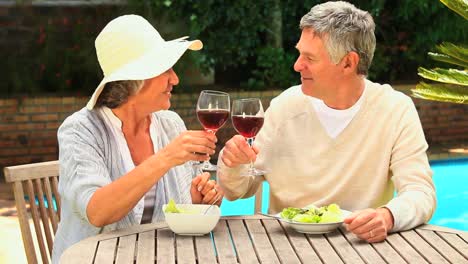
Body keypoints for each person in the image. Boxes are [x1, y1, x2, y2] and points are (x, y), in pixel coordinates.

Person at [217, 1, 436, 243]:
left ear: (348, 63)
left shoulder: (394, 110)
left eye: (309, 57)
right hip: (283, 248)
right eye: (299, 53)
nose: (297, 65)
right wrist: (233, 164)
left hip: (360, 249)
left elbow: (421, 193)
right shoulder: (285, 107)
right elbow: (238, 189)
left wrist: (387, 216)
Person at [52, 15, 223, 262]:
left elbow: (180, 212)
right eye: (166, 69)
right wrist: (164, 158)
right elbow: (97, 212)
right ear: (135, 79)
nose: (175, 79)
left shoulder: (169, 123)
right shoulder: (80, 130)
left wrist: (199, 200)